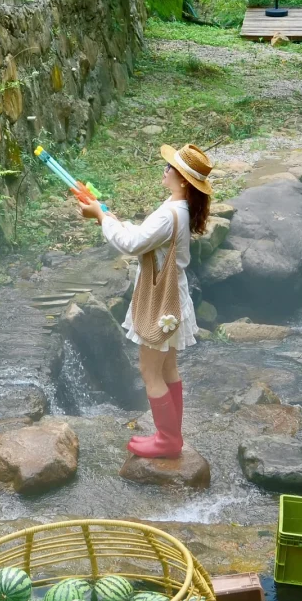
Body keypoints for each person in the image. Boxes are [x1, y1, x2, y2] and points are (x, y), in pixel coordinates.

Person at [78, 143, 213, 458]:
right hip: (174, 298)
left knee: (150, 373)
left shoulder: (170, 213)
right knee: (168, 370)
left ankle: (167, 440)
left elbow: (131, 244)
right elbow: (143, 237)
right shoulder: (178, 207)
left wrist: (100, 216)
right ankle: (172, 436)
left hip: (159, 301)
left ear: (183, 181)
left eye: (170, 168)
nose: (165, 170)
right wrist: (108, 217)